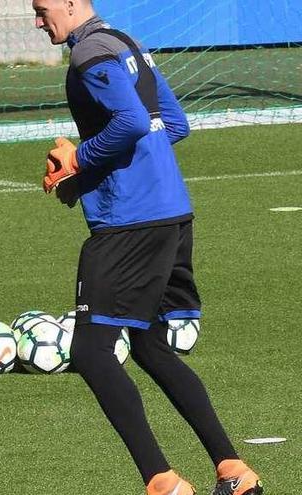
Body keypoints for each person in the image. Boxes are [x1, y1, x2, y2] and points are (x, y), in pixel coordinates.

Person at [31, 1, 263, 494]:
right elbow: (174, 124)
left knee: (91, 354)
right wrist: (92, 169)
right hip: (172, 212)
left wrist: (79, 160)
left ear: (72, 3)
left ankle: (162, 482)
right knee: (151, 347)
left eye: (42, 9)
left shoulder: (88, 55)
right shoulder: (125, 43)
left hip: (131, 223)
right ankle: (233, 470)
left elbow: (133, 123)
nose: (37, 21)